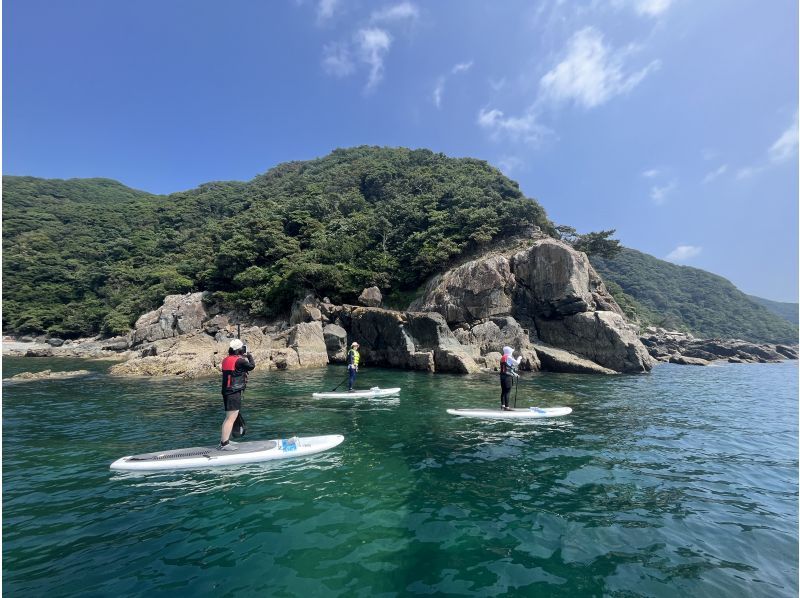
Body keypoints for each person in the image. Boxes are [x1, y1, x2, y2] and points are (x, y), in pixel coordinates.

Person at [219, 338, 255, 450]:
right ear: (239, 350)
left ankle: (224, 440)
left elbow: (235, 371)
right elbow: (251, 366)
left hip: (227, 391)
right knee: (230, 418)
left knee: (229, 417)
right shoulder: (240, 361)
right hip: (233, 392)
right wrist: (249, 356)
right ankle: (224, 444)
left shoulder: (226, 360)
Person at [499, 346, 520, 411]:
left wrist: (515, 374)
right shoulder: (508, 357)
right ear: (509, 352)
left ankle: (503, 405)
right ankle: (507, 407)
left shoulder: (502, 357)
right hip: (507, 377)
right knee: (507, 391)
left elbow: (508, 368)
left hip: (502, 376)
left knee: (503, 391)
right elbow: (517, 363)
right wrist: (519, 358)